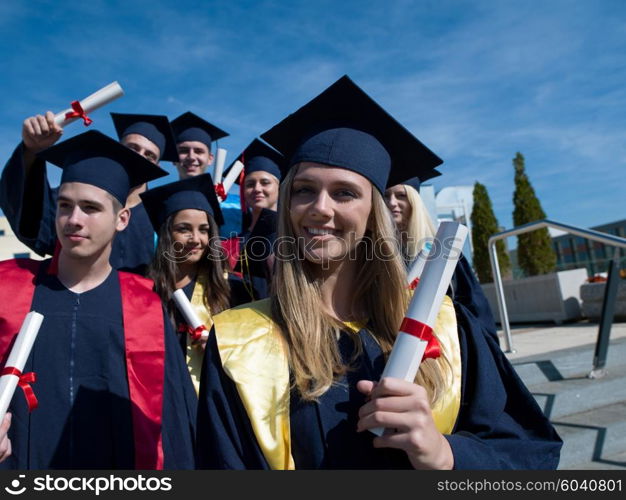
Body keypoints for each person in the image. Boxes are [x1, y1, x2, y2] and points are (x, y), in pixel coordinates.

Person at [196, 76, 562, 470]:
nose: (320, 207)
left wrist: (445, 454)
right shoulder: (242, 341)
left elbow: (530, 455)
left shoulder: (448, 328)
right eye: (303, 190)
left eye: (344, 193)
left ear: (376, 215)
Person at [0, 130, 196, 470]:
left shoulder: (145, 305)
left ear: (122, 219)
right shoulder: (9, 289)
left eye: (90, 208)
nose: (73, 219)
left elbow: (174, 424)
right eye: (64, 205)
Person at [0, 112, 178, 274]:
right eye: (133, 148)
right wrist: (31, 151)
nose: (139, 157)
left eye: (149, 155)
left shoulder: (162, 216)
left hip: (138, 305)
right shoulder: (71, 204)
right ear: (117, 148)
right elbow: (30, 220)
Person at [140, 174, 250, 394]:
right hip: (160, 405)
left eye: (204, 229)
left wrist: (222, 350)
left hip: (210, 408)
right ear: (166, 234)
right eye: (184, 229)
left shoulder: (233, 292)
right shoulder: (143, 293)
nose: (196, 239)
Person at [222, 139, 284, 299]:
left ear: (280, 187)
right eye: (250, 184)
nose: (257, 189)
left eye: (265, 182)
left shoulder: (295, 236)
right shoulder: (229, 245)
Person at [170, 111, 228, 180]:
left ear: (210, 159)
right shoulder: (157, 190)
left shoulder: (222, 190)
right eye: (184, 151)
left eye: (198, 151)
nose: (191, 157)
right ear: (173, 158)